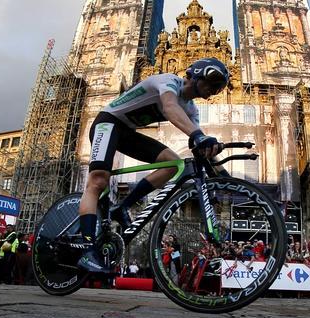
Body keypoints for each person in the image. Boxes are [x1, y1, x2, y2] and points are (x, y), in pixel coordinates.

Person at [76, 58, 230, 273]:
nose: (213, 91)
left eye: (218, 89)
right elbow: (169, 107)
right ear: (196, 74)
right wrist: (198, 135)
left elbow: (200, 145)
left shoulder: (192, 109)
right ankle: (87, 250)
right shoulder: (169, 81)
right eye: (212, 84)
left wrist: (223, 174)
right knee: (99, 180)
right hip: (108, 122)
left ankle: (122, 206)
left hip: (127, 132)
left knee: (173, 164)